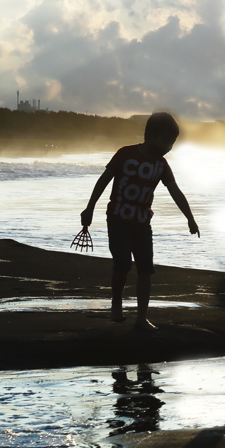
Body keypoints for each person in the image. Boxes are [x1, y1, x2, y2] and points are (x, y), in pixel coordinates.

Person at [80, 112, 199, 330]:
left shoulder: (161, 165)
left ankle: (141, 318)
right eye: (166, 141)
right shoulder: (125, 154)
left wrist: (190, 218)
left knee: (146, 269)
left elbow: (176, 192)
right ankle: (116, 307)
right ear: (150, 136)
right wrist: (89, 208)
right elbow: (103, 181)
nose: (169, 147)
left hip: (143, 224)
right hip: (117, 220)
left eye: (172, 143)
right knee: (122, 265)